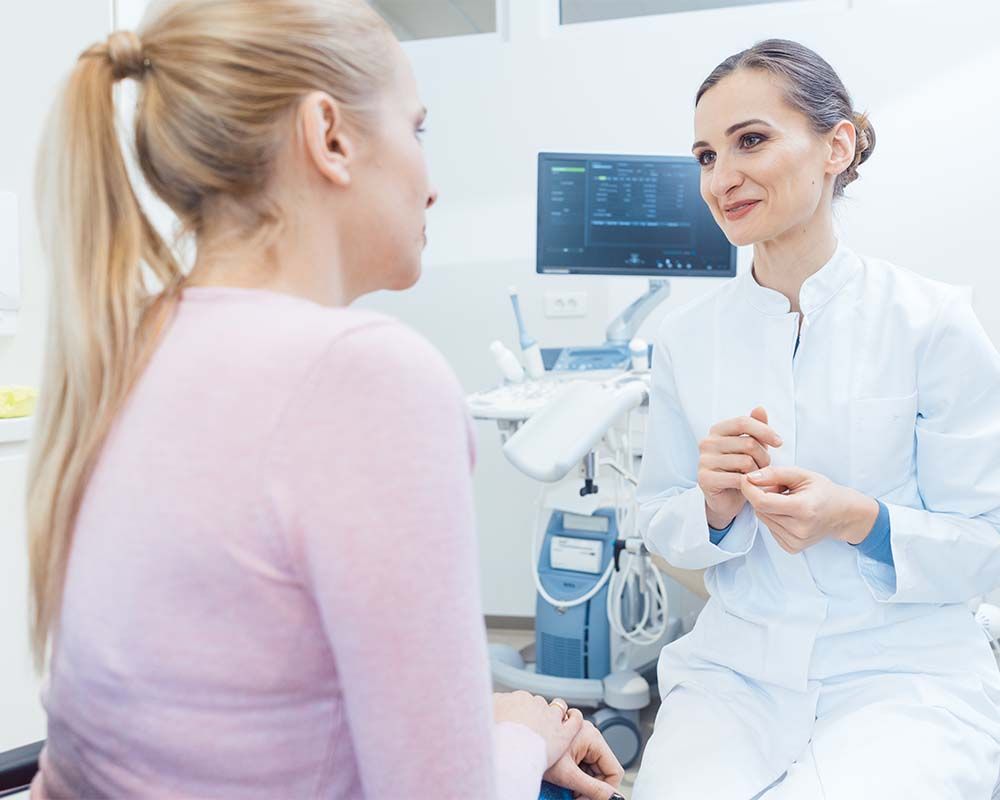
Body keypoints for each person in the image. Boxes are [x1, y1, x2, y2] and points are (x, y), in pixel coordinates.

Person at [24, 1, 624, 798]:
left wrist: (490, 727)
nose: (432, 184)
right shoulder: (367, 377)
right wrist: (521, 732)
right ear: (330, 137)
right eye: (417, 130)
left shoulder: (132, 341)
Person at [632, 39, 1000, 799]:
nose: (721, 177)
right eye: (705, 156)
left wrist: (861, 519)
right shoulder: (685, 339)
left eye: (751, 141)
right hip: (738, 671)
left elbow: (989, 543)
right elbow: (656, 519)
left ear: (837, 146)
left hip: (902, 669)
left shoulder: (932, 321)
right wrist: (710, 506)